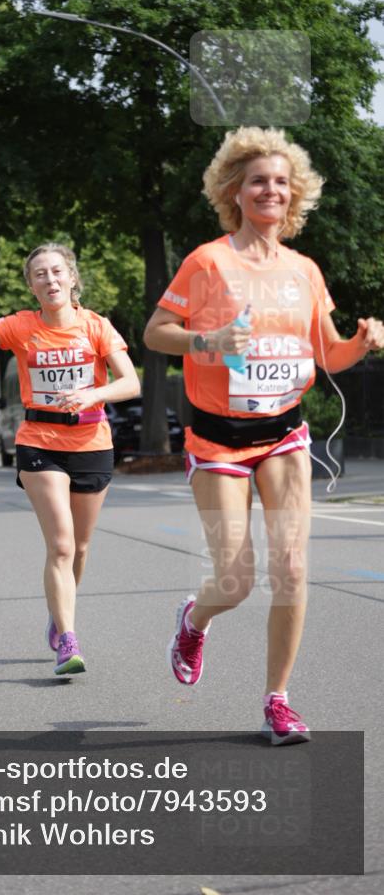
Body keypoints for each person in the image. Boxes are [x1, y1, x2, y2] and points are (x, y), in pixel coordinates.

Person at [143, 126, 384, 745]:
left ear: (293, 194)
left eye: (281, 181)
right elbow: (155, 334)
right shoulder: (207, 262)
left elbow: (326, 352)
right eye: (258, 180)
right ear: (235, 191)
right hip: (219, 438)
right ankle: (194, 622)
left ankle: (277, 700)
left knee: (294, 569)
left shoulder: (304, 270)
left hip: (283, 435)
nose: (270, 189)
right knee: (235, 578)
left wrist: (361, 343)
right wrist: (209, 341)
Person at [0, 239, 140, 675]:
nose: (49, 280)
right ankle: (68, 640)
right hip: (40, 441)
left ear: (72, 278)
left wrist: (94, 392)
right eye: (39, 275)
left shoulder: (96, 326)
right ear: (31, 287)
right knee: (62, 544)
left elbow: (130, 383)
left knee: (82, 547)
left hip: (91, 441)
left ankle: (59, 610)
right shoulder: (22, 326)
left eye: (56, 272)